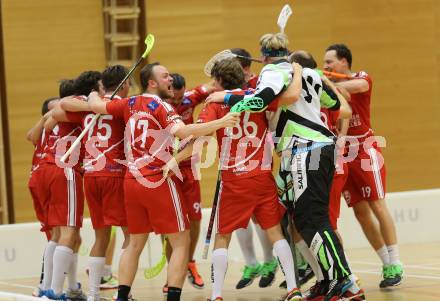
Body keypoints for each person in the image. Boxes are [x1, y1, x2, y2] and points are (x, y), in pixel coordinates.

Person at [208, 33, 363, 301]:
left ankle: (345, 282)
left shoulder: (272, 72)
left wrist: (225, 98)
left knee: (313, 220)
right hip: (310, 151)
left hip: (306, 150)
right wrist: (309, 75)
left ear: (264, 55)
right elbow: (339, 106)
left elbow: (260, 101)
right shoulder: (309, 75)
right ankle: (326, 280)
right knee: (301, 221)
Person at [87, 62, 239, 301]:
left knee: (135, 243)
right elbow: (183, 132)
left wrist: (93, 92)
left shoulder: (129, 103)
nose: (171, 80)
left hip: (131, 180)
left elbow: (95, 105)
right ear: (152, 83)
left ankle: (122, 298)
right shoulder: (160, 104)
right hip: (156, 178)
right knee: (181, 241)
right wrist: (221, 123)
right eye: (166, 76)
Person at [199, 58, 304, 301]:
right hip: (262, 176)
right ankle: (293, 288)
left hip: (234, 178)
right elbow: (288, 98)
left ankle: (216, 296)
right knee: (275, 232)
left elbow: (202, 131)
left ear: (218, 81)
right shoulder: (257, 98)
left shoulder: (215, 103)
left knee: (222, 236)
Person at [323, 43, 403, 288]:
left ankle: (396, 262)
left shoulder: (361, 76)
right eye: (324, 63)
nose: (326, 66)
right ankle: (385, 263)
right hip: (343, 153)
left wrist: (326, 83)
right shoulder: (327, 87)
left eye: (330, 62)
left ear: (344, 62)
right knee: (359, 211)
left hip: (366, 149)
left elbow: (358, 87)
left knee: (378, 204)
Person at [58, 65, 132, 301]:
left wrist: (90, 103)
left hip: (91, 176)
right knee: (130, 236)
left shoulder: (91, 108)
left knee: (101, 237)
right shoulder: (120, 106)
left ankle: (92, 296)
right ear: (125, 84)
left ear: (103, 86)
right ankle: (124, 293)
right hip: (114, 174)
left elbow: (62, 107)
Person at [39, 72, 102, 301]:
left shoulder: (76, 107)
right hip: (65, 168)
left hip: (48, 167)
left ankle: (48, 287)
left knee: (61, 233)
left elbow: (49, 120)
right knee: (69, 231)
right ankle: (54, 292)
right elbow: (58, 110)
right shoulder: (83, 105)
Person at [228, 48, 280, 289]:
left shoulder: (262, 82)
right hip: (233, 159)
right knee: (239, 218)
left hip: (260, 152)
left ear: (245, 67)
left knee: (262, 217)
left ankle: (270, 262)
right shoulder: (225, 88)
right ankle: (251, 263)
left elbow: (272, 110)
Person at [161, 73, 216, 294]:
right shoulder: (160, 105)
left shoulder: (190, 98)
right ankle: (171, 274)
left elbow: (213, 86)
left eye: (180, 98)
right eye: (174, 98)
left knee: (194, 220)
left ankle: (189, 263)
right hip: (166, 168)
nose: (177, 102)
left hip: (189, 168)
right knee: (171, 226)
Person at [27, 96, 60, 297]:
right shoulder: (46, 129)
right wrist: (46, 117)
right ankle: (45, 283)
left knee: (56, 233)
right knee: (56, 233)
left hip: (43, 180)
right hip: (41, 181)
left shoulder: (59, 128)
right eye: (53, 109)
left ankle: (47, 282)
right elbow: (30, 136)